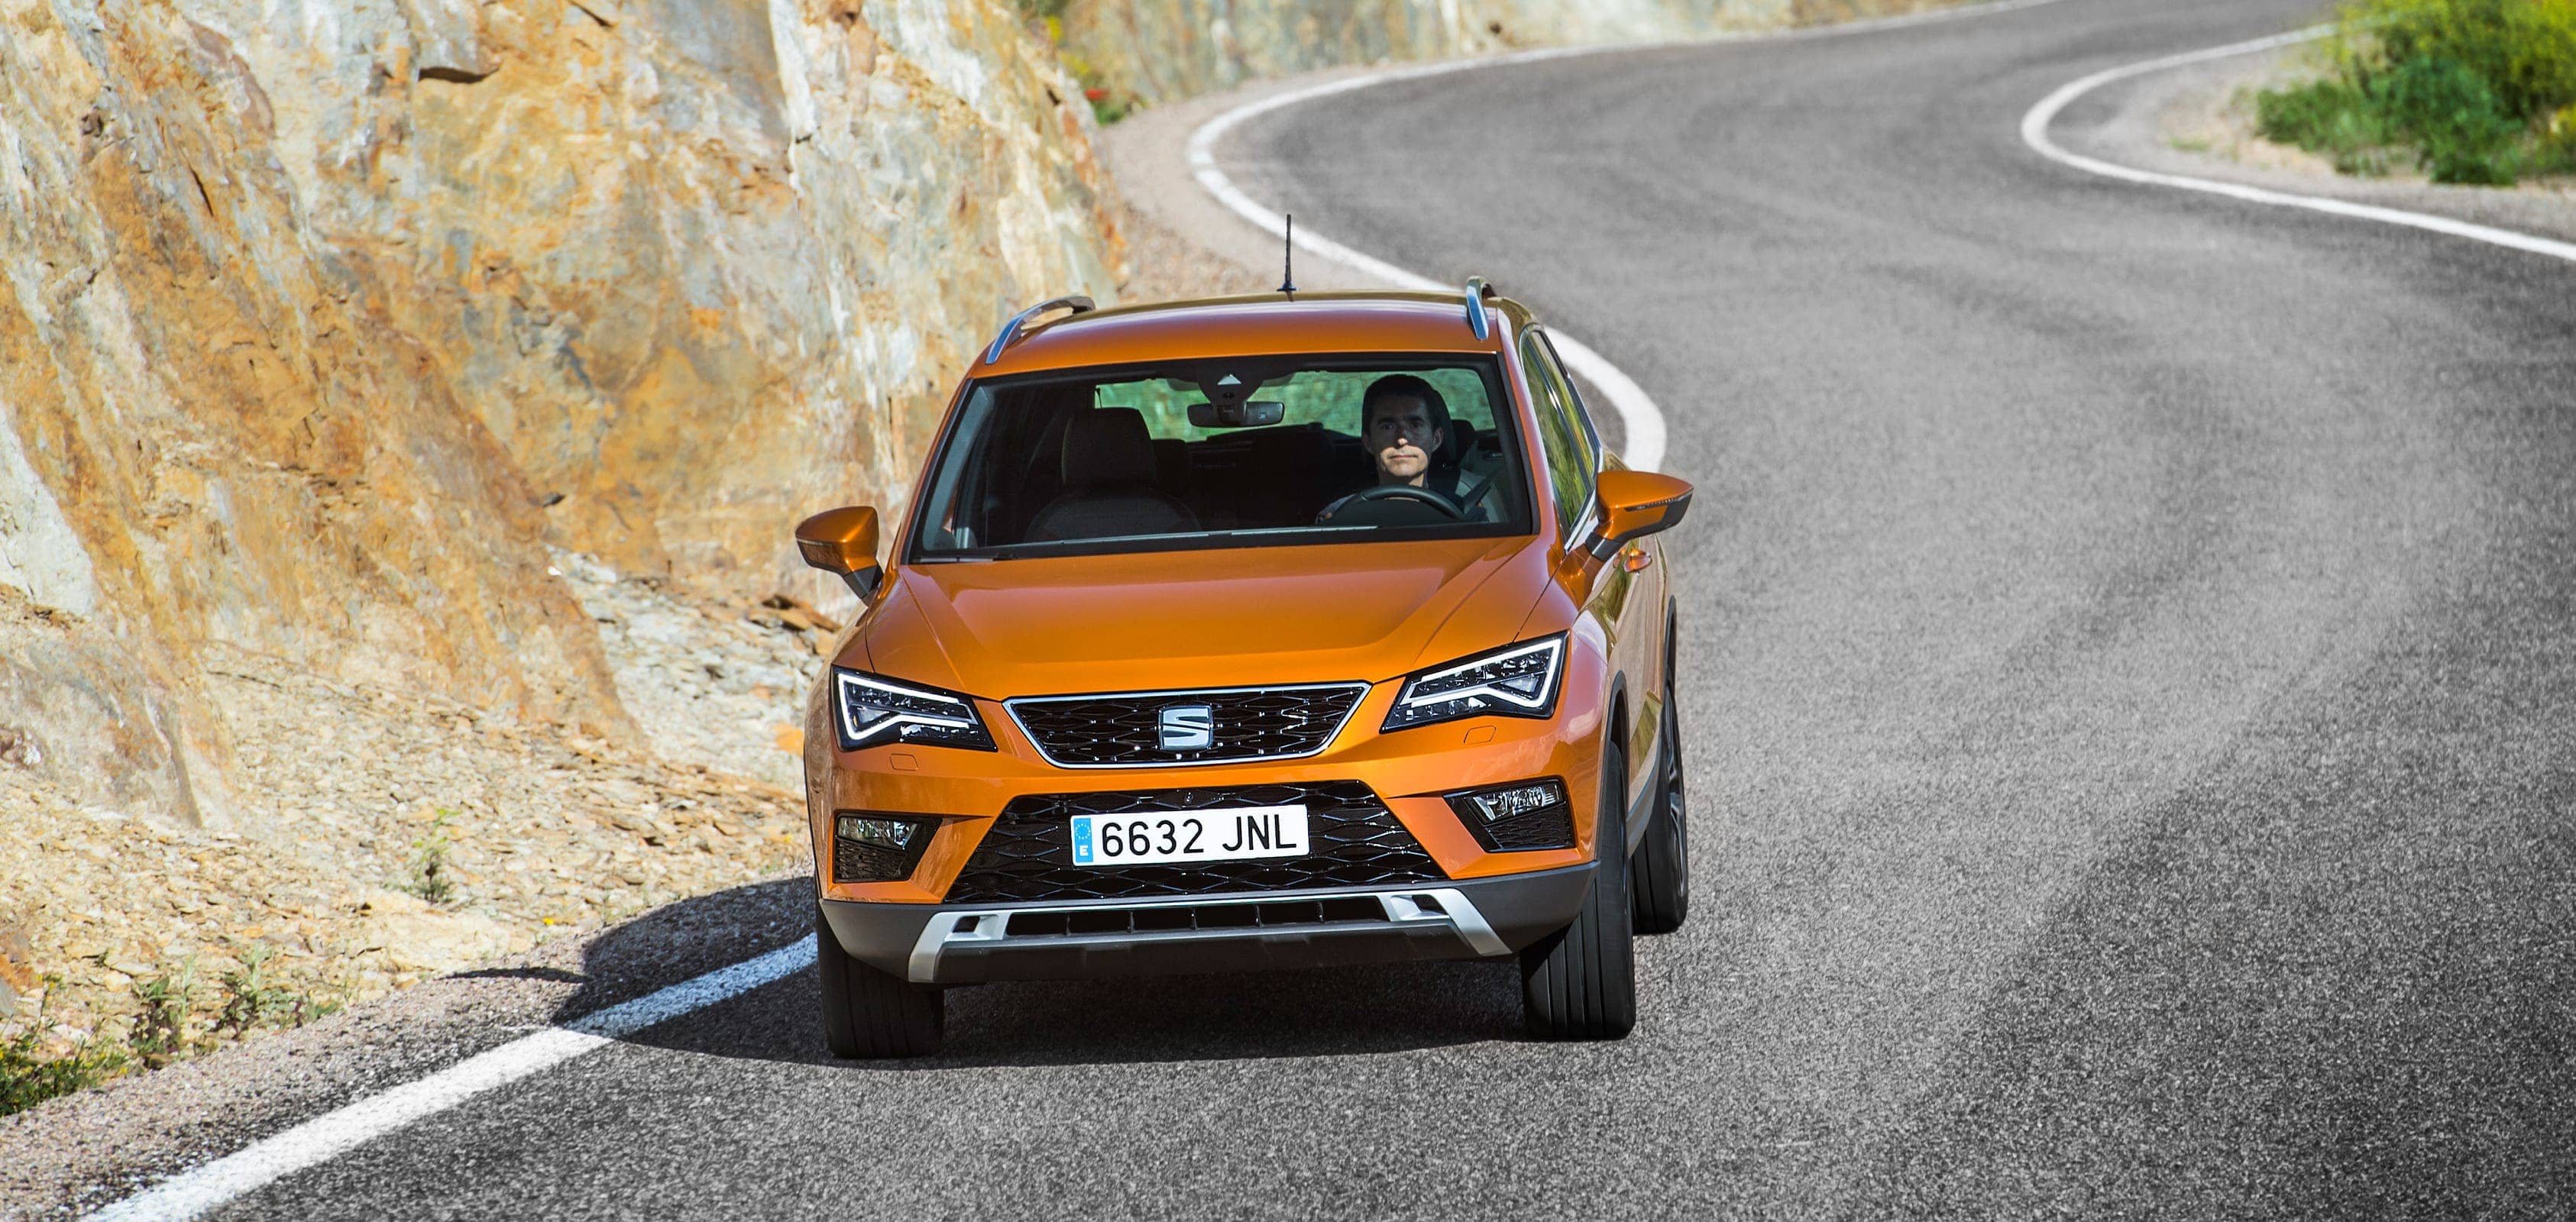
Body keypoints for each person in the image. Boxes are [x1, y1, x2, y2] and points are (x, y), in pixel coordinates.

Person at [1317, 375, 1490, 523]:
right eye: (1387, 426)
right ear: (1368, 442)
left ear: (1436, 439)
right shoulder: (1337, 517)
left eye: (1415, 424)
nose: (1402, 439)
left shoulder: (1466, 515)